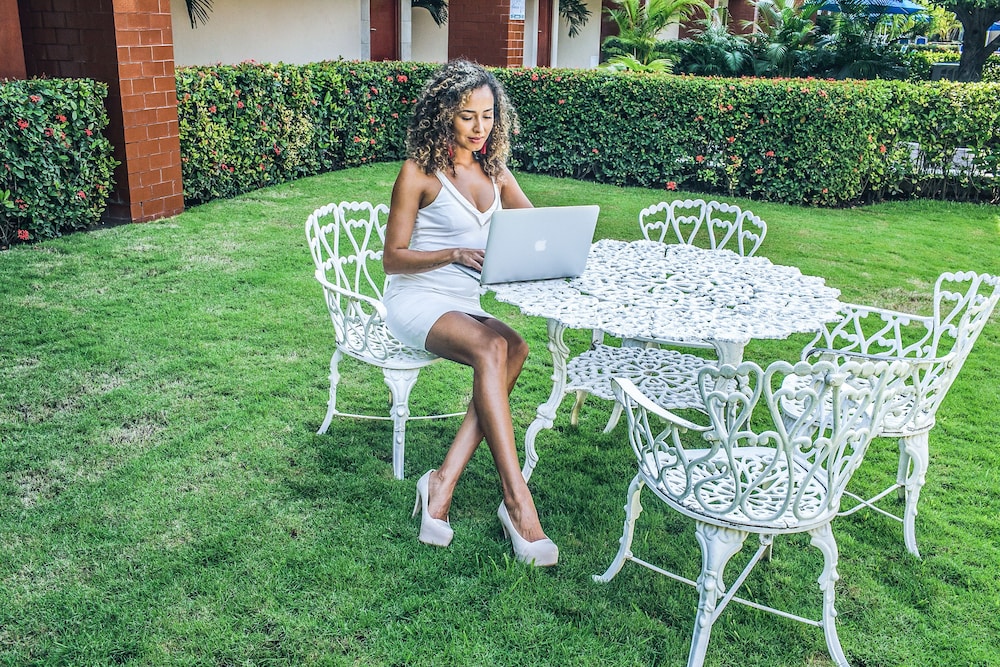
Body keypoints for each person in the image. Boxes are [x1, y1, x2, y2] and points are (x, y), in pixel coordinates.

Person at [382, 59, 557, 567]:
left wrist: (557, 244)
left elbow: (537, 229)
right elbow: (392, 258)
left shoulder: (496, 172)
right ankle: (517, 502)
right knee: (491, 347)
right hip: (416, 298)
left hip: (463, 303)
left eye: (488, 115)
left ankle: (442, 481)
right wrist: (453, 253)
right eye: (467, 116)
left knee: (514, 347)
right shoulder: (419, 173)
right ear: (443, 115)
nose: (479, 127)